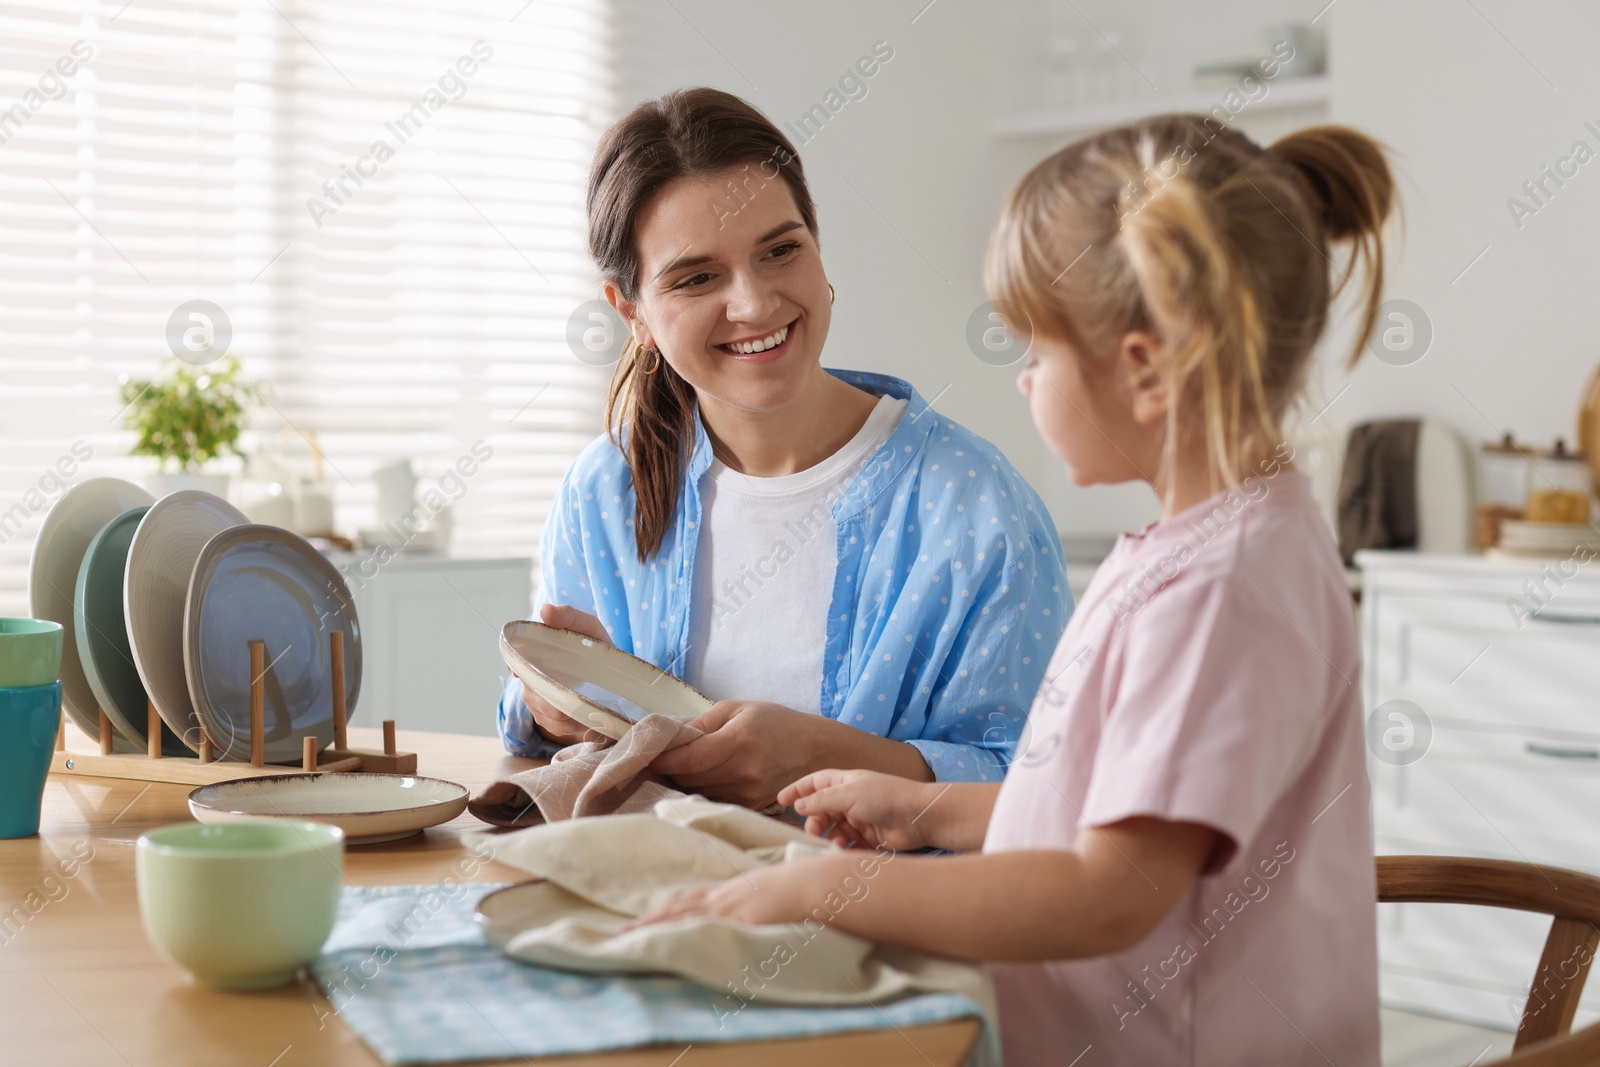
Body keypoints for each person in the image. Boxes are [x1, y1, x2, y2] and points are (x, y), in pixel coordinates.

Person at [634, 115, 1393, 1066]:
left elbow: (1108, 887)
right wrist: (925, 810)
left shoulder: (1221, 590)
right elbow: (1106, 806)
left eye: (1035, 351)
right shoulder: (1206, 545)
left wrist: (820, 892)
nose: (1026, 382)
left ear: (1146, 372)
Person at [497, 87, 1070, 809]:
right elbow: (527, 731)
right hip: (650, 905)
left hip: (886, 915)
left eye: (780, 250)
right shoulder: (602, 493)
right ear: (631, 312)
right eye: (697, 277)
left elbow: (1052, 784)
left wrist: (836, 757)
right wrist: (553, 703)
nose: (756, 303)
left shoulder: (977, 505)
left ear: (817, 241)